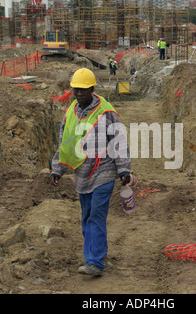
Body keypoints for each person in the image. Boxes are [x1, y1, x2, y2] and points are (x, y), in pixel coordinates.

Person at [50, 68, 131, 276]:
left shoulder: (106, 112)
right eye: (76, 90)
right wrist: (57, 168)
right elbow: (64, 142)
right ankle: (93, 256)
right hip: (82, 174)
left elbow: (119, 140)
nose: (79, 94)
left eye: (83, 90)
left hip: (103, 170)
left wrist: (123, 168)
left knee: (96, 215)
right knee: (86, 216)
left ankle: (95, 261)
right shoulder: (71, 112)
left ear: (93, 89)